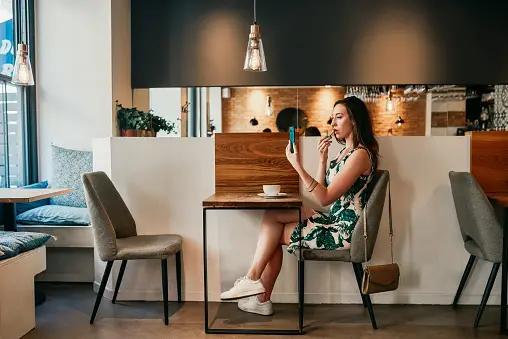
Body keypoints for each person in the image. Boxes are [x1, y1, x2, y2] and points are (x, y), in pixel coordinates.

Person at [220, 96, 379, 316]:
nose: (333, 123)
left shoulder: (360, 156)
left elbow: (324, 198)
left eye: (339, 117)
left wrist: (297, 166)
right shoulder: (345, 153)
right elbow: (319, 194)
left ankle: (257, 289)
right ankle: (256, 287)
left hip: (343, 231)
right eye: (332, 118)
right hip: (333, 218)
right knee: (273, 215)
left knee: (272, 233)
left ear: (355, 120)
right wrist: (322, 160)